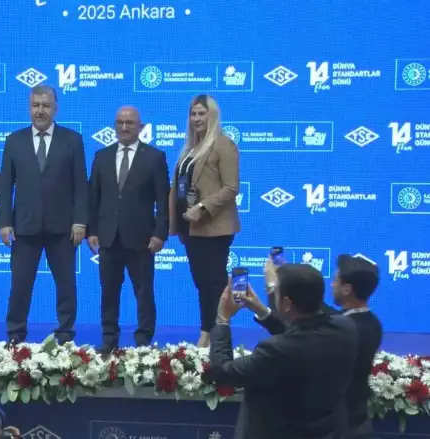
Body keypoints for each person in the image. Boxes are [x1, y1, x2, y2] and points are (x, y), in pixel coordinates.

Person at [207, 264, 358, 439]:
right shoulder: (345, 328)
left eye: (276, 290)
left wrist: (222, 320)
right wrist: (262, 311)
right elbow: (304, 336)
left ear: (286, 303)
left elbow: (223, 372)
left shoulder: (275, 351)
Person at [242, 254, 383, 439]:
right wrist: (264, 308)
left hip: (342, 427)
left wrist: (274, 287)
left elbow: (300, 342)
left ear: (347, 288)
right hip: (353, 422)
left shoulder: (345, 327)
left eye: (335, 280)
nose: (332, 284)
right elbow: (302, 336)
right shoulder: (368, 323)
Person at [0, 85, 88, 344]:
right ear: (29, 108)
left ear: (55, 108)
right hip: (24, 227)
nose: (40, 111)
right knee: (20, 286)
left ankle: (65, 335)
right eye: (35, 105)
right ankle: (15, 336)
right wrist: (4, 222)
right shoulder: (14, 141)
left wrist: (80, 221)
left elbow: (81, 185)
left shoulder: (72, 140)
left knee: (66, 286)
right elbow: (5, 185)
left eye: (45, 106)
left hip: (63, 228)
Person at [87, 105, 169, 352]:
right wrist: (92, 230)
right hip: (108, 237)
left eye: (129, 123)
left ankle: (143, 342)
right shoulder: (101, 156)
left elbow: (163, 201)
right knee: (108, 292)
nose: (124, 127)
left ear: (140, 127)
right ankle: (109, 339)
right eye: (120, 123)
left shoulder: (154, 157)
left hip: (142, 238)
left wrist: (160, 233)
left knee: (143, 293)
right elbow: (93, 197)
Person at [168, 94, 240, 347]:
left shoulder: (223, 144)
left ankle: (214, 335)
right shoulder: (190, 148)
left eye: (202, 113)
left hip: (214, 227)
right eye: (193, 114)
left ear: (213, 116)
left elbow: (231, 187)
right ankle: (207, 331)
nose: (196, 118)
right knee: (202, 283)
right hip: (191, 229)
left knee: (214, 283)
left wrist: (202, 207)